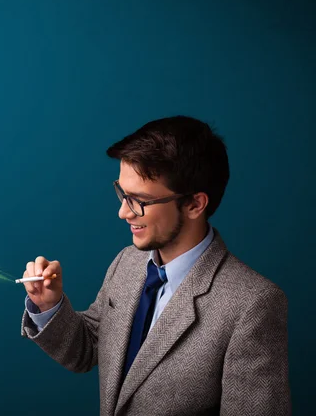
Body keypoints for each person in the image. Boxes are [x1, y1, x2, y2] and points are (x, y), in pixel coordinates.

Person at [20, 115, 291, 416]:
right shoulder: (127, 263)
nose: (123, 212)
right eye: (122, 193)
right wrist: (49, 306)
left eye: (140, 201)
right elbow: (89, 350)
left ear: (194, 204)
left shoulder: (252, 305)